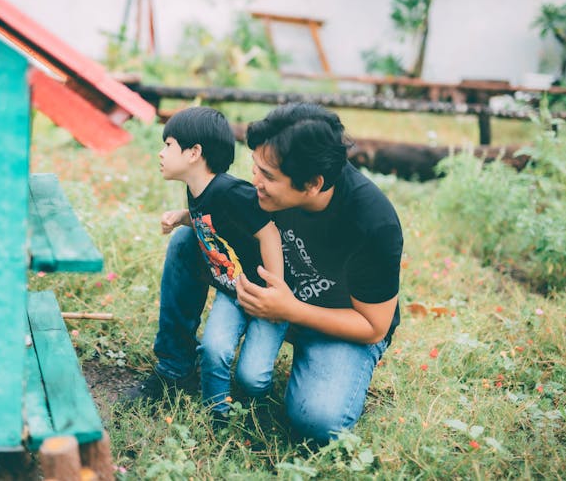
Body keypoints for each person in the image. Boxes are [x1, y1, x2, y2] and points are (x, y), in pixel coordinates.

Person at [130, 103, 403, 443]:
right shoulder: (269, 187)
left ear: (312, 185)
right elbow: (227, 211)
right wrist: (187, 216)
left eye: (269, 177)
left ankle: (313, 360)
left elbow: (373, 326)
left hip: (337, 322)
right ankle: (175, 367)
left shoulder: (372, 222)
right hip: (269, 298)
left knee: (318, 420)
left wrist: (289, 309)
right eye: (255, 168)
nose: (255, 182)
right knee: (188, 239)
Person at [151, 106, 287, 421]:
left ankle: (259, 412)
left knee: (252, 379)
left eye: (168, 145)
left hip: (265, 292)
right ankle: (217, 414)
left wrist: (275, 288)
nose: (160, 153)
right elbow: (211, 220)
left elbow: (269, 233)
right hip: (233, 289)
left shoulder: (230, 190)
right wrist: (182, 217)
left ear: (193, 153)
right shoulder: (197, 189)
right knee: (214, 349)